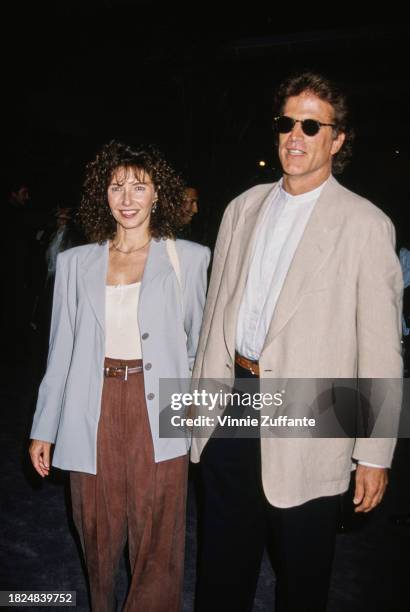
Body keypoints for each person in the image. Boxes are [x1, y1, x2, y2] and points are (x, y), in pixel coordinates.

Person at [191, 72, 403, 612]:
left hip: (313, 412)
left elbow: (380, 348)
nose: (296, 135)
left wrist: (374, 454)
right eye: (287, 122)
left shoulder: (365, 223)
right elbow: (215, 315)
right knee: (220, 574)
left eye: (312, 125)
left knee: (302, 584)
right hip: (232, 403)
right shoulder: (243, 207)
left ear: (337, 140)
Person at [29, 141, 210, 612]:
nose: (127, 198)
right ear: (101, 195)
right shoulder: (75, 264)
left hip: (161, 404)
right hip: (94, 401)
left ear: (157, 195)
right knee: (95, 526)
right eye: (116, 187)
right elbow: (60, 352)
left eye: (138, 186)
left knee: (158, 530)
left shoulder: (188, 259)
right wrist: (43, 428)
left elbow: (200, 348)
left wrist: (198, 417)